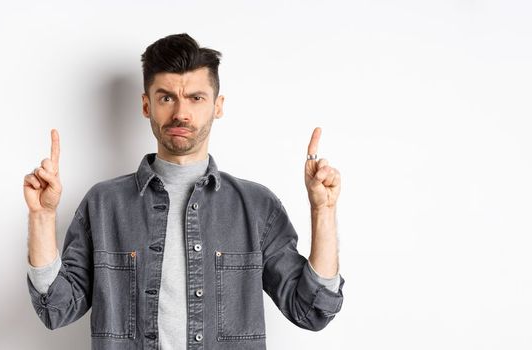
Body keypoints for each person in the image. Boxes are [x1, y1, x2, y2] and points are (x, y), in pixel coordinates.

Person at [23, 33, 344, 349]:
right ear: (146, 105)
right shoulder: (104, 205)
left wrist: (323, 211)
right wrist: (42, 216)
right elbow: (56, 309)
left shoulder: (256, 207)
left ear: (217, 106)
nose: (180, 113)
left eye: (196, 97)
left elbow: (312, 311)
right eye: (166, 97)